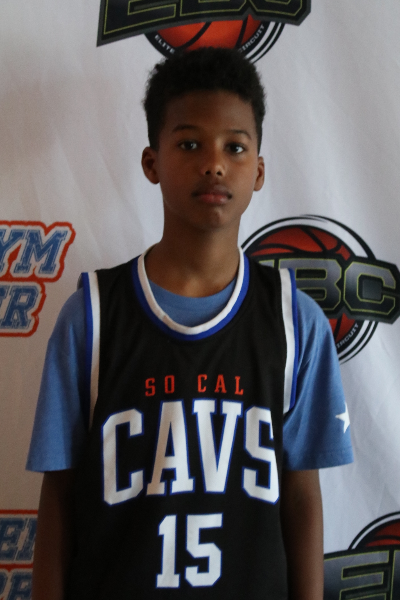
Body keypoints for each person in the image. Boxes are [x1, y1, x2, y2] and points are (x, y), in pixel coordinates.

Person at [27, 47, 353, 600]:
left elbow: (302, 497)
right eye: (189, 144)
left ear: (259, 170)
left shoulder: (294, 321)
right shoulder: (92, 316)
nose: (214, 164)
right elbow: (59, 496)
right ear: (152, 162)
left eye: (235, 147)